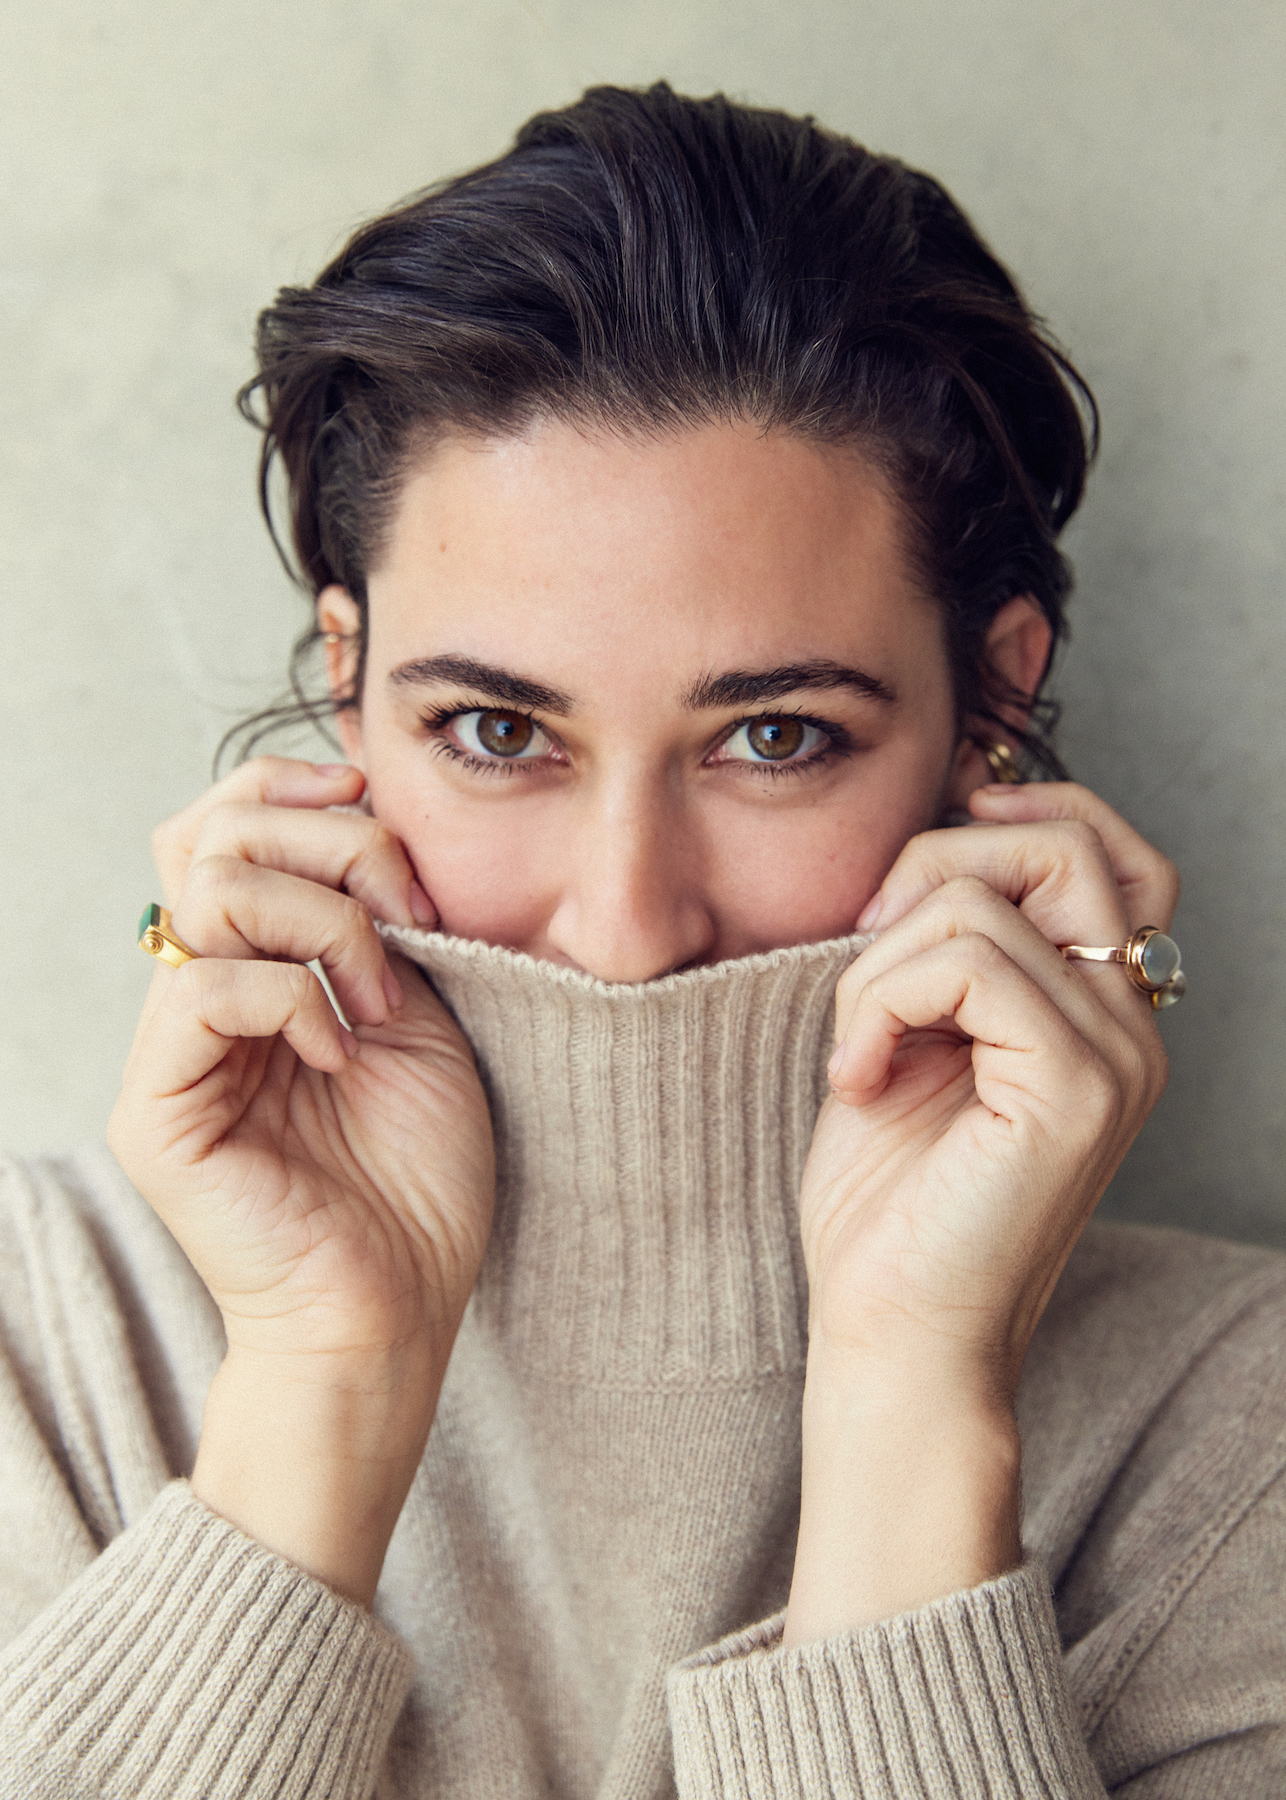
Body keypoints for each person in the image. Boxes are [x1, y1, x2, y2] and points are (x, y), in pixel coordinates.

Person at [0, 82, 1282, 1799]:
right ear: (348, 686)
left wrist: (912, 1404)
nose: (621, 928)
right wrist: (321, 1390)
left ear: (990, 702)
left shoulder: (1236, 1438)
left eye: (774, 738)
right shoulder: (43, 1335)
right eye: (496, 732)